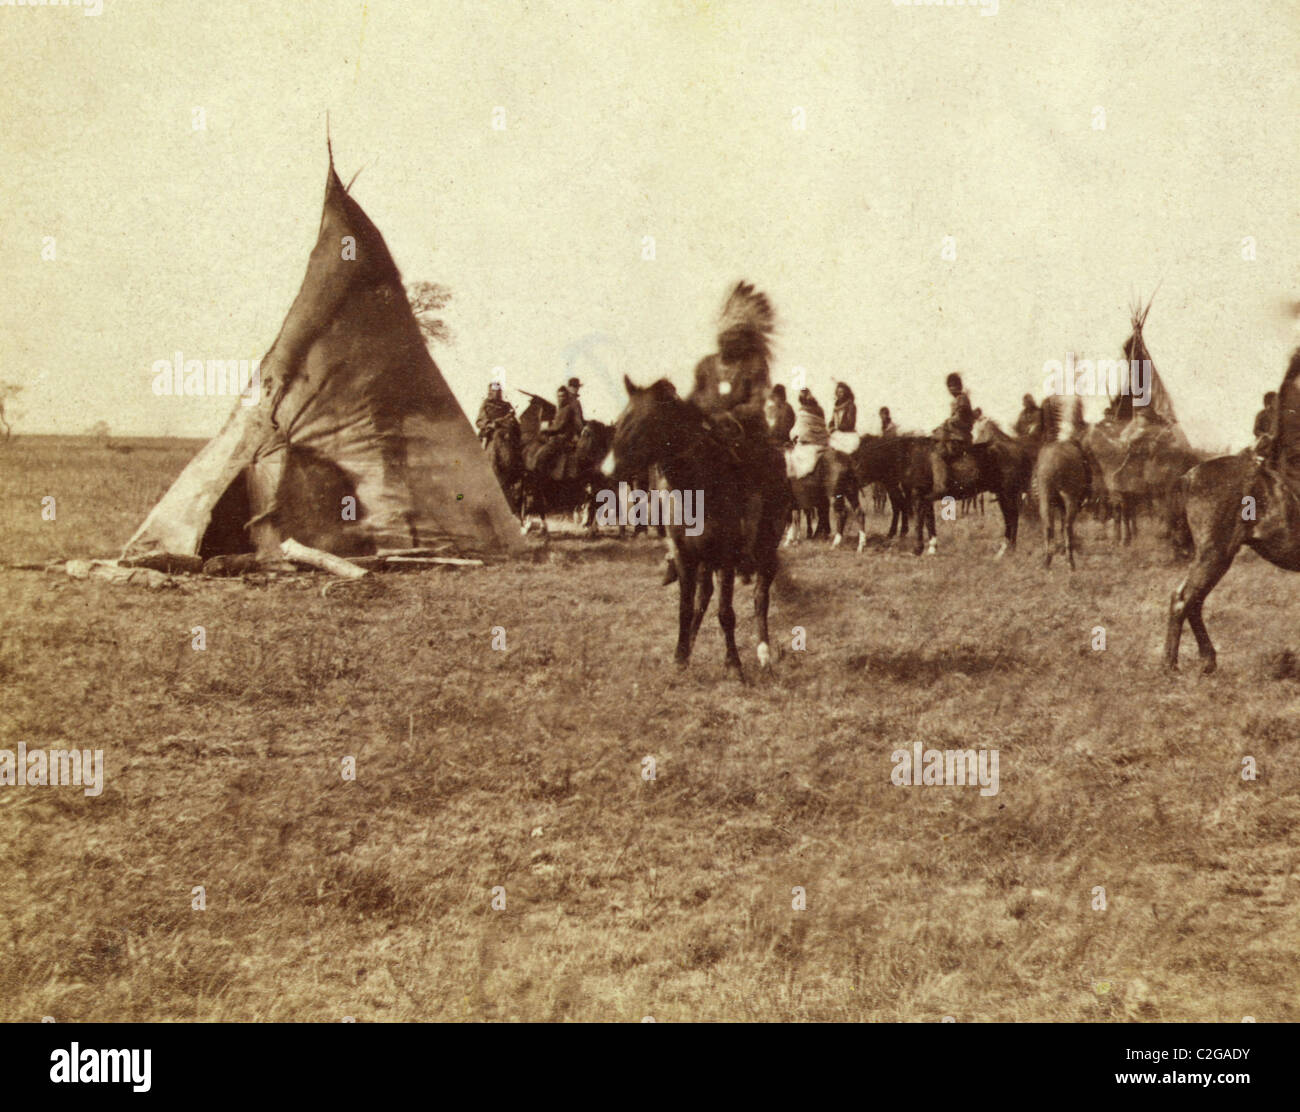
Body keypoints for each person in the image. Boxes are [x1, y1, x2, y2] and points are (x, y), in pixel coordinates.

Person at [932, 373, 975, 491]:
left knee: (939, 452)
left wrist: (947, 424)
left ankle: (941, 484)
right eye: (949, 386)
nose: (951, 389)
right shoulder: (957, 400)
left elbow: (961, 418)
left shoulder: (962, 399)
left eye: (953, 385)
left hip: (961, 437)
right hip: (956, 435)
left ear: (959, 386)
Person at [475, 382, 515, 446]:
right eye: (493, 391)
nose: (496, 393)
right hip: (491, 432)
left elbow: (512, 417)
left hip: (506, 429)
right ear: (489, 392)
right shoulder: (486, 405)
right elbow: (479, 421)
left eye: (498, 391)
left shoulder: (507, 405)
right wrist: (490, 424)